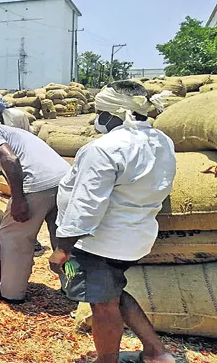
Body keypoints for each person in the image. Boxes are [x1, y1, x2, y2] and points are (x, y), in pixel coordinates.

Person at [49, 81, 176, 363]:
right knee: (114, 292)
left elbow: (87, 205)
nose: (97, 119)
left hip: (99, 242)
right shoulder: (162, 141)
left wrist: (62, 248)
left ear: (112, 114)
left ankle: (106, 360)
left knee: (103, 306)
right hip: (136, 235)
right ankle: (157, 353)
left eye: (99, 112)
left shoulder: (104, 148)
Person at [0, 111, 70, 303]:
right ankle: (73, 290)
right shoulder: (11, 131)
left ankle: (11, 292)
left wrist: (18, 199)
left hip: (38, 185)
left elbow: (11, 160)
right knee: (62, 240)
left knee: (13, 236)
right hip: (64, 181)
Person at [0, 92, 45, 252]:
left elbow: (28, 139)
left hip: (13, 162)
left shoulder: (17, 116)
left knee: (22, 198)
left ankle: (31, 240)